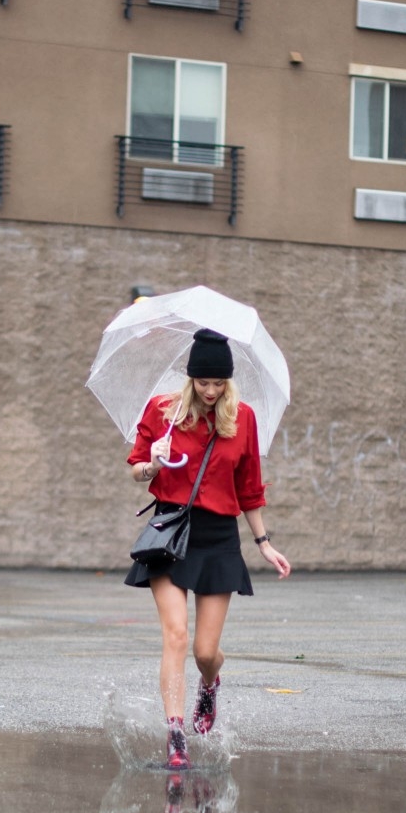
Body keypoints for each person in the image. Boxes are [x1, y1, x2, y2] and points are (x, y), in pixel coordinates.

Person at [125, 328, 291, 771]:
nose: (212, 391)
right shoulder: (163, 412)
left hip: (218, 538)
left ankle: (210, 684)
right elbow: (137, 470)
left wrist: (264, 543)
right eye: (204, 383)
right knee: (175, 635)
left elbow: (249, 488)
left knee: (204, 652)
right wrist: (154, 462)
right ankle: (175, 734)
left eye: (220, 383)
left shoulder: (244, 419)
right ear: (191, 378)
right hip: (170, 532)